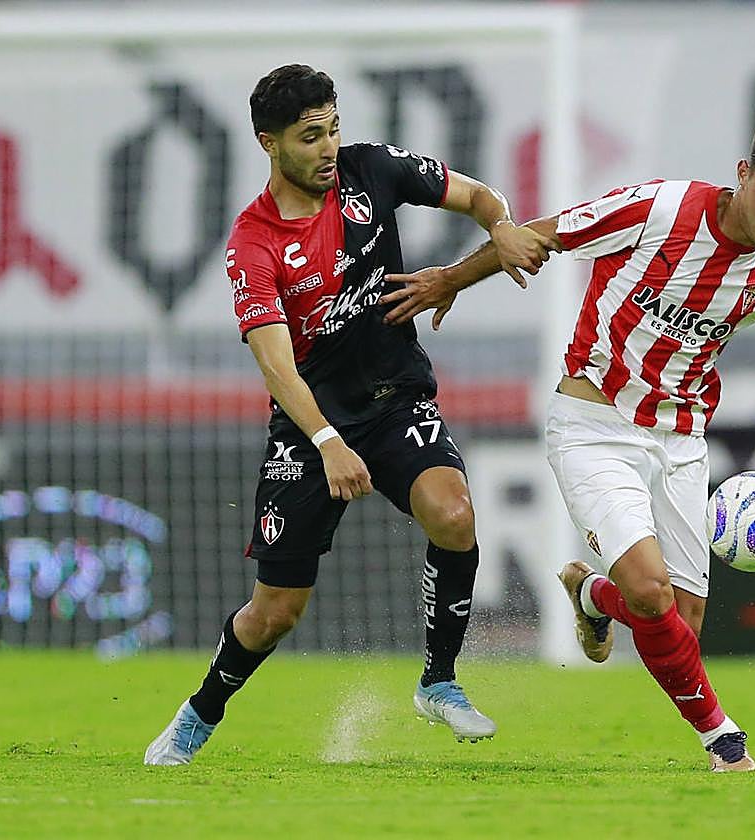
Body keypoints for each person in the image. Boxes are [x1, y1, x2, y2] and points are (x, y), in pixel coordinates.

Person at [381, 111, 755, 772]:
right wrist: (451, 277)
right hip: (595, 427)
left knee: (678, 621)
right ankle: (723, 740)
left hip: (681, 440)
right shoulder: (659, 208)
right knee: (652, 598)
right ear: (742, 175)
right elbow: (541, 236)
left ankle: (593, 596)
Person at [144, 64, 554, 765]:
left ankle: (440, 681)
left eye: (333, 127)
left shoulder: (373, 171)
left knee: (454, 515)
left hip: (397, 400)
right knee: (276, 612)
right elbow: (276, 363)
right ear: (268, 143)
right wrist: (328, 439)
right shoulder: (254, 242)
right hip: (310, 431)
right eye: (311, 136)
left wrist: (503, 226)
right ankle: (199, 713)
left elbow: (478, 195)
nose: (330, 146)